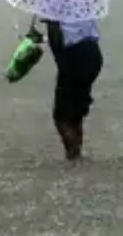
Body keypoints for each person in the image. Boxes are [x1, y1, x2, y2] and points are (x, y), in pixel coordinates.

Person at [41, 18, 103, 161]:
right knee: (76, 110)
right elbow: (74, 34)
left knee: (61, 116)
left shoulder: (55, 19)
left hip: (74, 60)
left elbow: (58, 49)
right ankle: (76, 150)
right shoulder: (81, 7)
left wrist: (50, 26)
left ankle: (73, 154)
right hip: (93, 55)